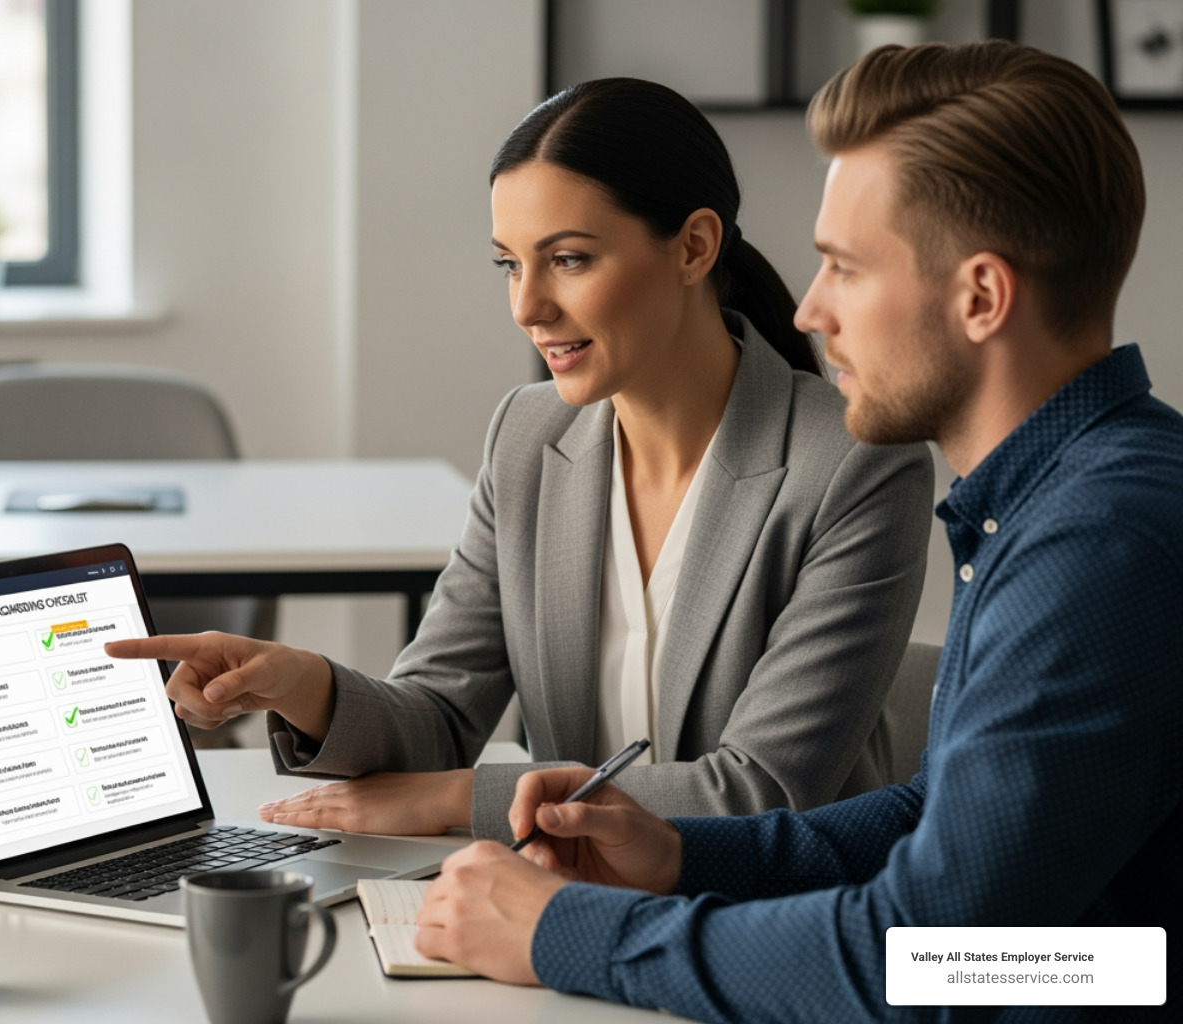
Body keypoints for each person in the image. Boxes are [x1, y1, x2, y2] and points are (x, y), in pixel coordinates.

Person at [411, 41, 1182, 1022]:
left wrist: (563, 932)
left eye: (845, 269)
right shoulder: (1058, 498)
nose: (809, 310)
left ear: (981, 296)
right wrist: (681, 849)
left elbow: (928, 958)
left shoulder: (1102, 545)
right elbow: (959, 829)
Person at [108, 78, 934, 841]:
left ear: (693, 247)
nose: (528, 306)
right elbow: (440, 713)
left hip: (768, 922)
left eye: (568, 259)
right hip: (574, 894)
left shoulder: (854, 465)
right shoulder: (528, 437)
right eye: (510, 263)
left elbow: (759, 794)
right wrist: (300, 684)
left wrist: (457, 800)